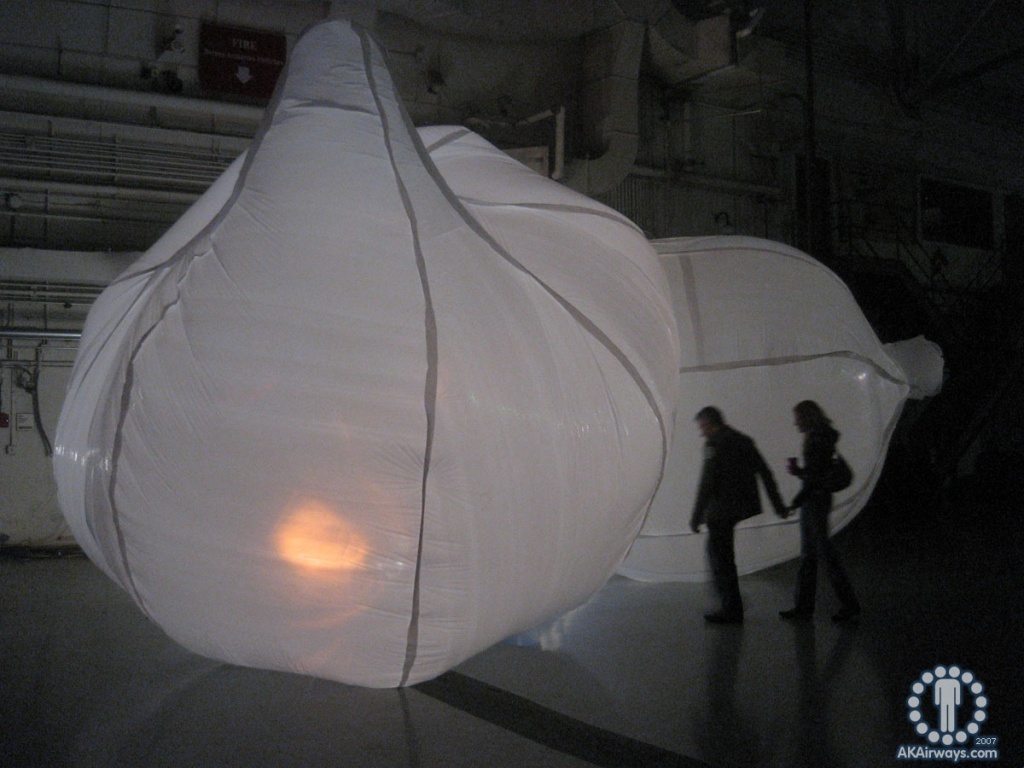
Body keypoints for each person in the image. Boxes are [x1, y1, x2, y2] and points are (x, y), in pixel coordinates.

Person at [690, 406, 788, 624]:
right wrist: (778, 505)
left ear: (710, 424)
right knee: (723, 557)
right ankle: (730, 604)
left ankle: (731, 607)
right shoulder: (743, 441)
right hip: (737, 508)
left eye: (702, 427)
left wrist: (696, 516)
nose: (701, 433)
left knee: (720, 559)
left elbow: (707, 483)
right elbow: (765, 473)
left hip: (719, 511)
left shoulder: (714, 444)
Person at [780, 400, 862, 623]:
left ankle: (842, 604)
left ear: (807, 417)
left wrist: (796, 495)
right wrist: (801, 476)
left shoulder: (817, 440)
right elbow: (817, 474)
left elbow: (814, 478)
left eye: (798, 418)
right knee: (816, 554)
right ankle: (807, 606)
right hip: (817, 500)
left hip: (814, 502)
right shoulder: (822, 436)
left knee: (820, 555)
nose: (795, 423)